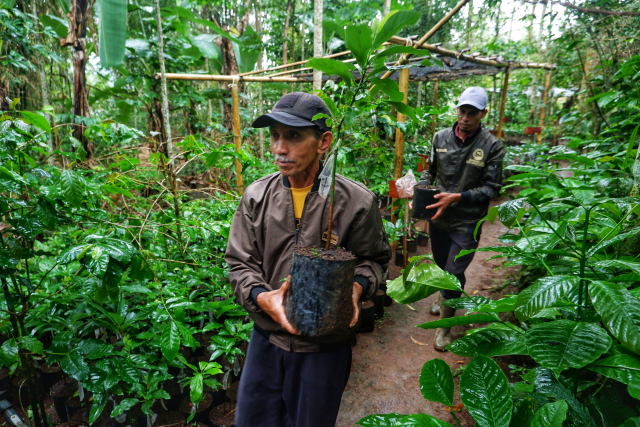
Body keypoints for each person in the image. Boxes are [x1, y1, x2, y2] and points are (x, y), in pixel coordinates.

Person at [225, 92, 391, 427]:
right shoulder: (257, 197)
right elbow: (239, 263)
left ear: (323, 141)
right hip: (266, 337)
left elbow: (373, 260)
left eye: (294, 136)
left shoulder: (356, 202)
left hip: (324, 347)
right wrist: (262, 297)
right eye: (274, 136)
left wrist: (357, 289)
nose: (279, 149)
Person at [419, 86, 506, 351]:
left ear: (483, 114)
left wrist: (456, 197)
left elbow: (492, 188)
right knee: (440, 263)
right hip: (439, 217)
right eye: (462, 111)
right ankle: (441, 297)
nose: (465, 117)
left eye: (472, 113)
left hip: (467, 221)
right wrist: (421, 193)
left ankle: (445, 330)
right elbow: (429, 172)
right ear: (456, 110)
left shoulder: (492, 146)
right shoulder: (440, 138)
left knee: (454, 273)